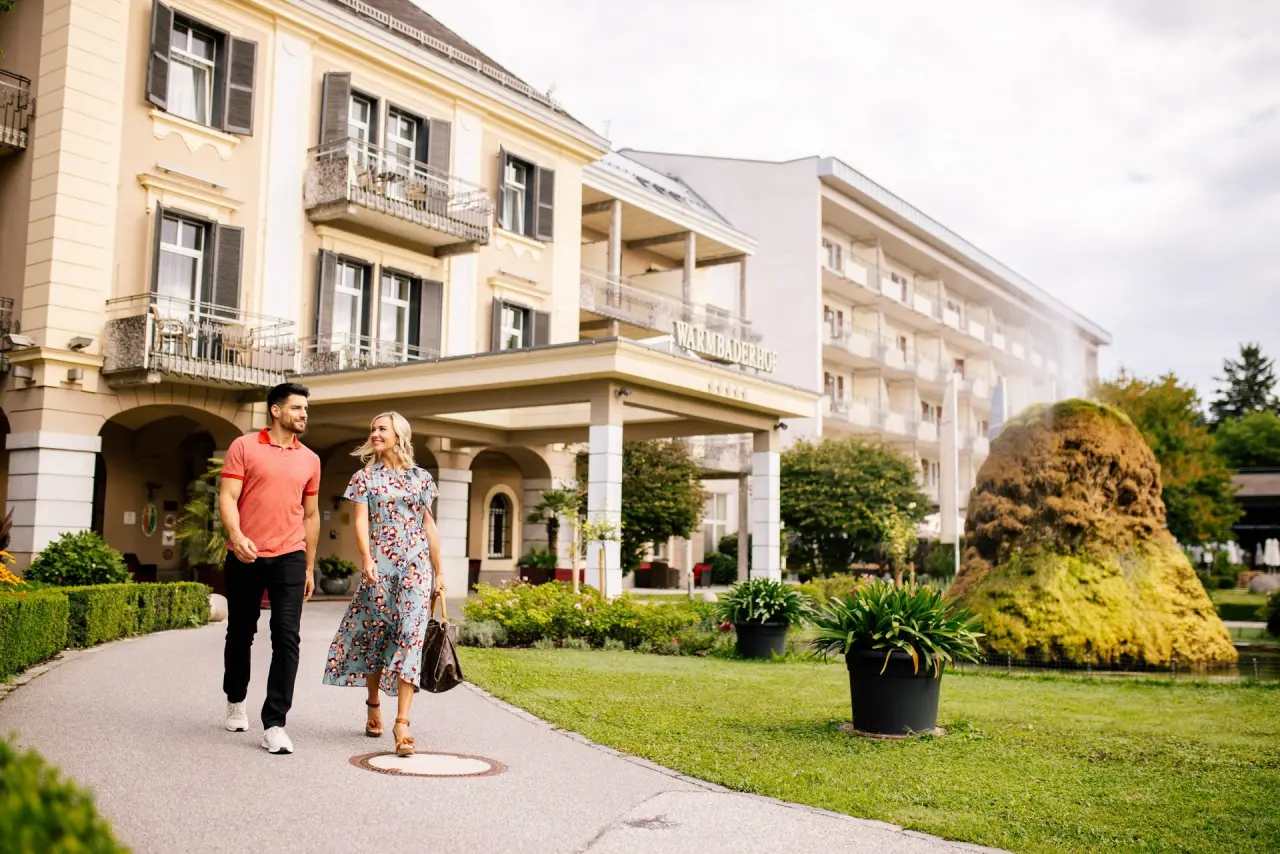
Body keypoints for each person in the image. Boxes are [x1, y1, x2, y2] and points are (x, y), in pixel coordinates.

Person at [323, 412, 444, 757]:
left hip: (417, 568)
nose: (374, 434)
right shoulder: (364, 478)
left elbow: (429, 526)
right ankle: (373, 702)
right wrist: (367, 559)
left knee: (410, 637)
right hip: (381, 566)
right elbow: (360, 522)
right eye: (372, 429)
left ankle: (402, 723)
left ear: (398, 435)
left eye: (381, 429)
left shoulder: (421, 479)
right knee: (376, 636)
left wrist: (440, 573)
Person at [220, 382, 321, 755]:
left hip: (291, 554)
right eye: (297, 408)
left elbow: (310, 515)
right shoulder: (243, 447)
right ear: (276, 411)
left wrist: (309, 566)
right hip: (245, 554)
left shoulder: (310, 459)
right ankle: (235, 698)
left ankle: (275, 723)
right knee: (241, 632)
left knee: (287, 636)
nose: (303, 414)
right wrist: (237, 534)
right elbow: (228, 498)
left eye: (306, 409)